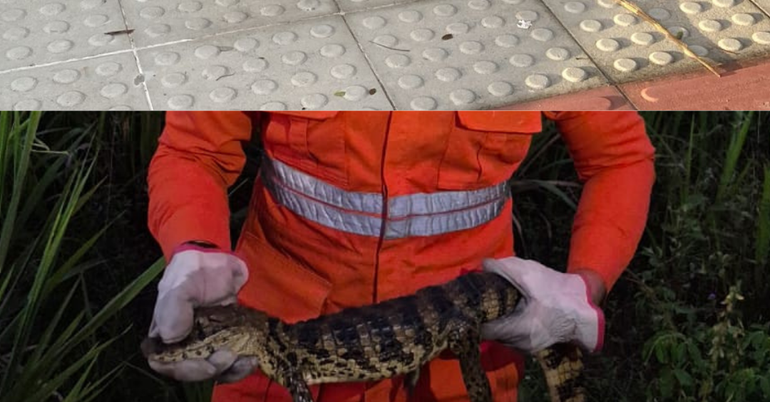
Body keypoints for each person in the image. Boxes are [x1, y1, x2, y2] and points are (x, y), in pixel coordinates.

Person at [146, 111, 655, 402]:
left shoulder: (532, 14)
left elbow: (620, 157)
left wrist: (582, 287)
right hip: (277, 348)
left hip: (459, 362)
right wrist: (196, 249)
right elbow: (194, 150)